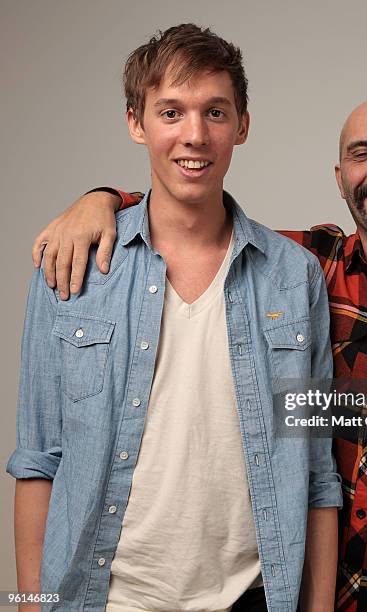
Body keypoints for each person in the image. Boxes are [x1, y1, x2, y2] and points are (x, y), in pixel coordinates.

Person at [35, 91, 367, 611]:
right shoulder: (297, 271)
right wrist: (102, 199)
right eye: (361, 154)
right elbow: (185, 212)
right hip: (309, 598)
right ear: (340, 178)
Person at [7, 24, 343, 612]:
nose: (195, 135)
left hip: (253, 597)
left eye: (215, 112)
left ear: (242, 124)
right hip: (105, 598)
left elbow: (315, 470)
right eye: (171, 112)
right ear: (136, 123)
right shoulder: (71, 266)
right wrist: (32, 605)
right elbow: (38, 458)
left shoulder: (295, 276)